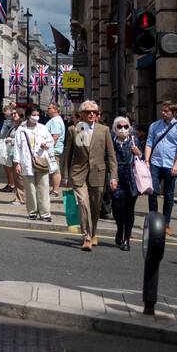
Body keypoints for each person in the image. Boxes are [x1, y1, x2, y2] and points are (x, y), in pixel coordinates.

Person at [60, 100, 118, 251]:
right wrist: (65, 176)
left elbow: (111, 156)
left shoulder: (104, 130)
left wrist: (113, 177)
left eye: (95, 112)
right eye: (88, 112)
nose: (92, 114)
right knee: (84, 204)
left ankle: (93, 233)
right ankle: (86, 237)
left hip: (98, 173)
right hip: (78, 173)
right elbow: (67, 154)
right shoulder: (73, 130)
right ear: (82, 114)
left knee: (95, 206)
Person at [144, 101, 177, 232]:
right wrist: (147, 160)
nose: (163, 113)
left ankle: (166, 223)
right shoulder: (154, 126)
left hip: (171, 165)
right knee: (153, 192)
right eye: (162, 110)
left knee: (169, 195)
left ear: (173, 112)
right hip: (155, 163)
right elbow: (149, 143)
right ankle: (153, 219)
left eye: (166, 111)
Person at [14, 107, 54, 223]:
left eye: (37, 115)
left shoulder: (43, 128)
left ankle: (45, 213)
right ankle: (32, 212)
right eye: (34, 114)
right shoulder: (21, 130)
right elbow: (17, 147)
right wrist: (17, 163)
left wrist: (46, 144)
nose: (36, 117)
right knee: (30, 189)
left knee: (44, 187)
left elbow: (51, 141)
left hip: (41, 160)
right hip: (26, 162)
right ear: (27, 116)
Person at [110, 115, 143, 250]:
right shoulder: (112, 141)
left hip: (131, 179)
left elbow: (143, 158)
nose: (123, 129)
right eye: (119, 126)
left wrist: (138, 152)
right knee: (117, 208)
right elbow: (107, 158)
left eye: (125, 126)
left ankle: (126, 239)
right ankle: (119, 229)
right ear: (115, 128)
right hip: (116, 178)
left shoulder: (134, 141)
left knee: (129, 210)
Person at [45, 103, 65, 197]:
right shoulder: (55, 120)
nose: (47, 109)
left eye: (49, 108)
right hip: (54, 149)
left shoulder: (55, 121)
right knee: (54, 169)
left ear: (55, 110)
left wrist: (49, 148)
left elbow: (55, 136)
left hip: (54, 149)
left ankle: (55, 190)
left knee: (55, 169)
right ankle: (54, 189)